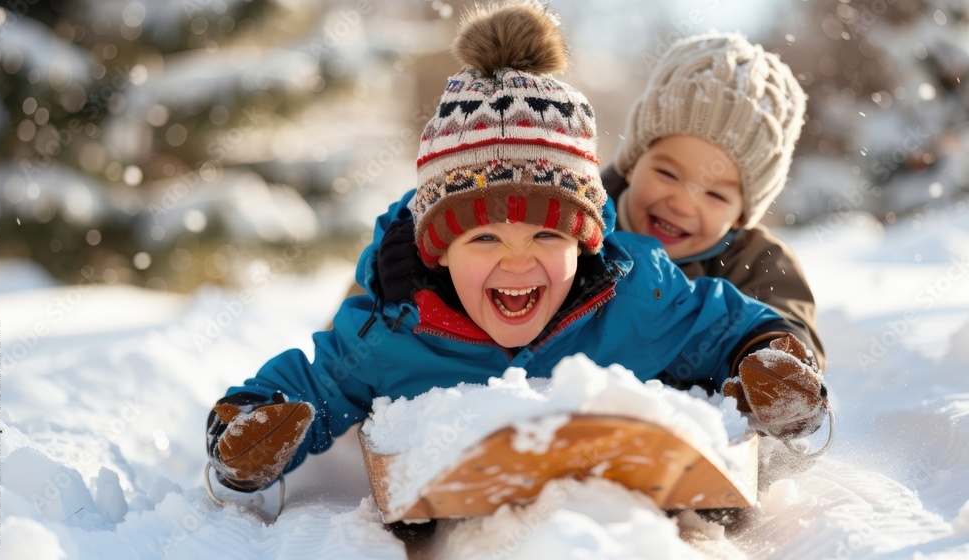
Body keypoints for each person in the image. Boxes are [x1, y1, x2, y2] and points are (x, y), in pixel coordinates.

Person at [206, 1, 828, 495]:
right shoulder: (395, 330)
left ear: (583, 244)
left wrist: (767, 359)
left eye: (547, 235)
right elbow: (320, 379)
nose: (516, 259)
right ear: (442, 250)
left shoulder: (637, 290)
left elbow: (723, 322)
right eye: (483, 237)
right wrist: (253, 424)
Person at [604, 32, 825, 371]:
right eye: (667, 173)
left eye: (715, 194)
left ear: (741, 215)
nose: (681, 204)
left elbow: (787, 324)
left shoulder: (755, 263)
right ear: (633, 164)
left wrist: (776, 368)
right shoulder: (578, 220)